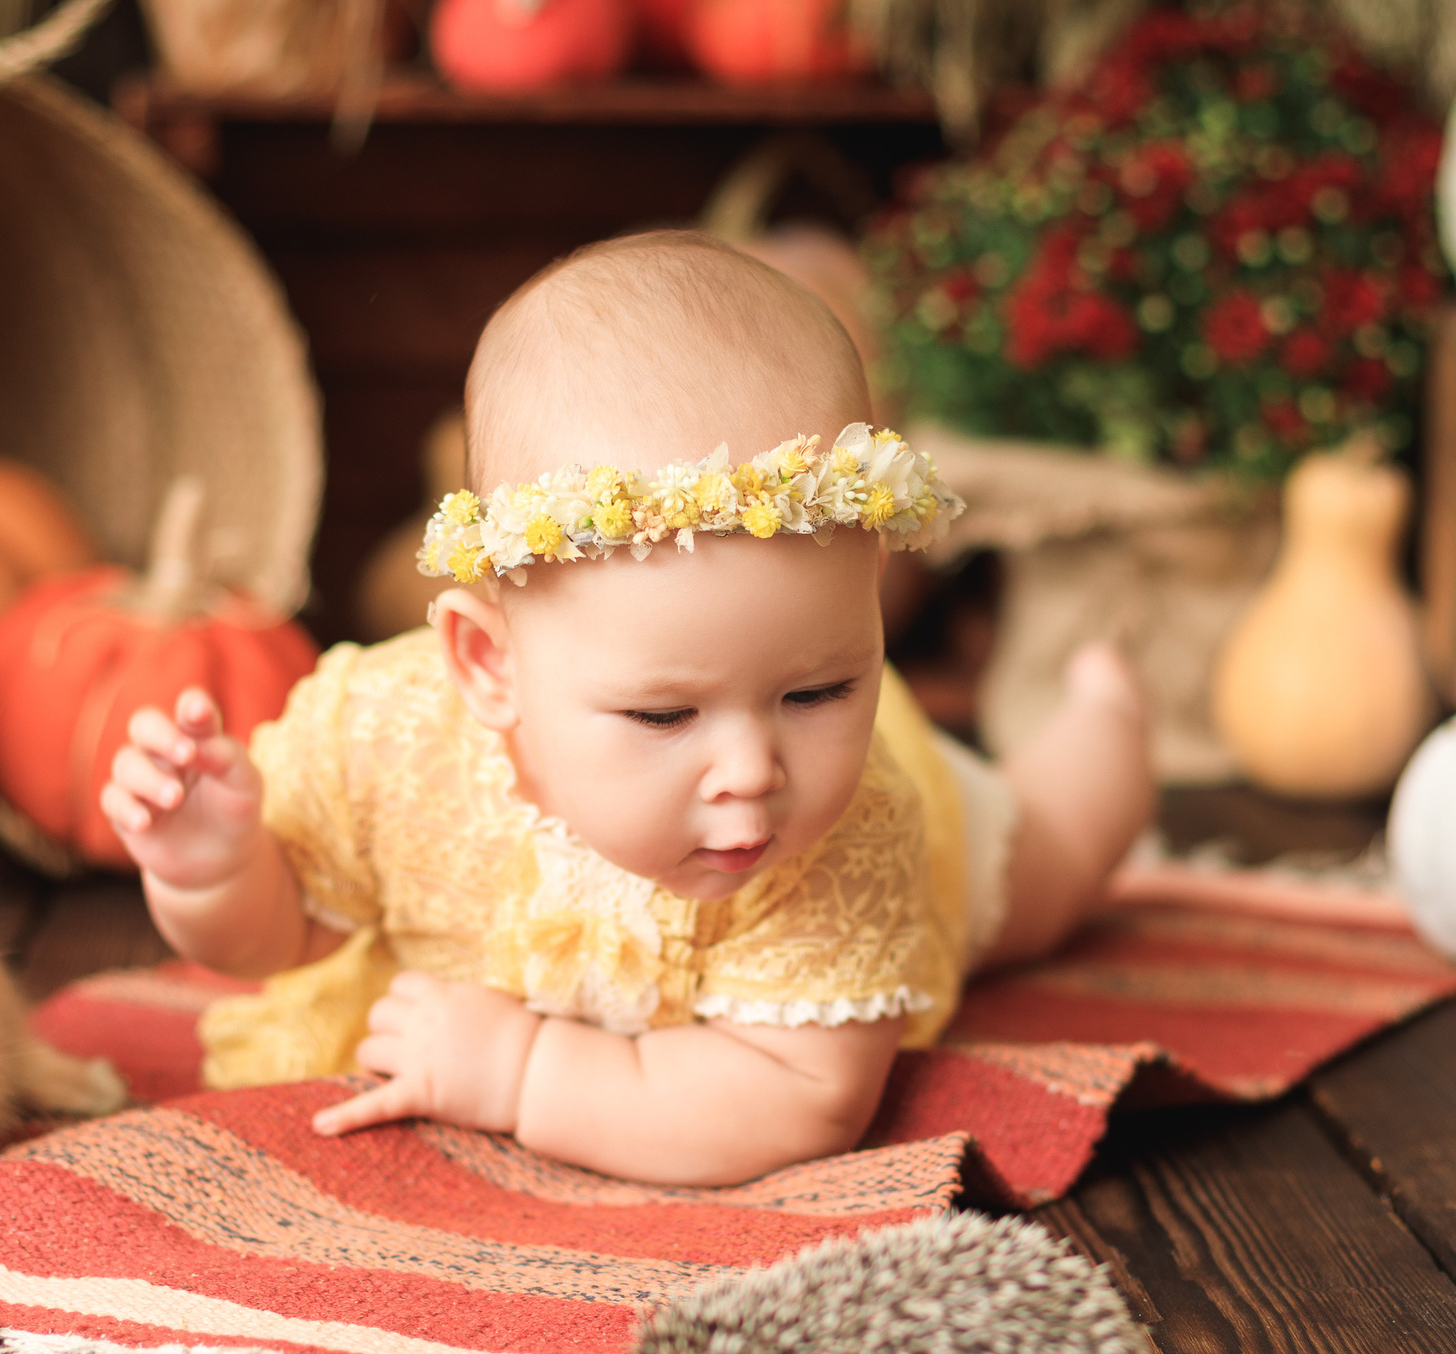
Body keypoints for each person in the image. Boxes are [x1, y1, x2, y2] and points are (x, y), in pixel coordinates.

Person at [102, 230, 1152, 1187]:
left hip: (933, 829)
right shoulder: (385, 738)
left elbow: (797, 1096)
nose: (753, 769)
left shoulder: (844, 835)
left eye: (820, 689)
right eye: (663, 716)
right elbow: (281, 938)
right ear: (490, 663)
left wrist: (524, 1070)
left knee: (1042, 866)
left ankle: (1107, 721)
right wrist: (213, 871)